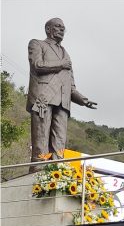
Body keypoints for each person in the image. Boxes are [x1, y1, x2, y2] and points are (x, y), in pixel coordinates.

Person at [27, 18, 97, 173]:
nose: (62, 30)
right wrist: (61, 65)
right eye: (58, 27)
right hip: (43, 98)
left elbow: (71, 86)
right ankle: (38, 168)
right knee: (41, 136)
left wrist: (83, 100)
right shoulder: (37, 44)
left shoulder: (66, 54)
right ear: (48, 29)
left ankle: (57, 170)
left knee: (60, 139)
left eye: (63, 28)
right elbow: (37, 65)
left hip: (63, 101)